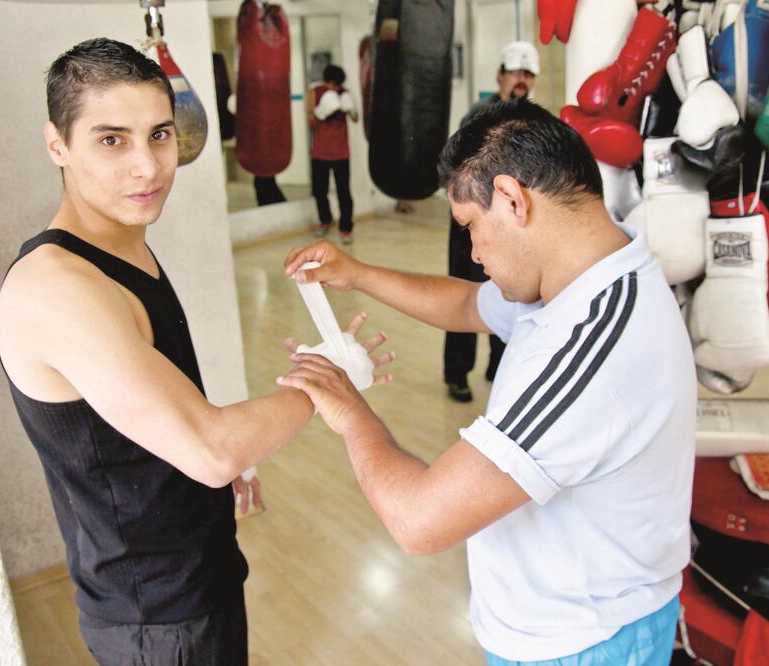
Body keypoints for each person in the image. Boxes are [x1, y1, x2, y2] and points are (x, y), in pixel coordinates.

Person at [0, 38, 389, 665]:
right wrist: (331, 377)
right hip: (154, 613)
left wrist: (221, 463)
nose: (148, 166)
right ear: (56, 144)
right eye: (110, 140)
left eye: (158, 135)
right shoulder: (60, 288)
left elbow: (149, 406)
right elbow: (208, 448)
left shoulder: (123, 244)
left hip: (188, 574)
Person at [281, 99, 695, 665]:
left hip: (585, 643)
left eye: (472, 228)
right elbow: (467, 305)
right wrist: (356, 274)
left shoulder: (588, 348)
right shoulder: (590, 270)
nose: (473, 252)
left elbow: (419, 520)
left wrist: (351, 414)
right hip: (570, 622)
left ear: (511, 199)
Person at [444, 40, 540, 403]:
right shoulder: (478, 117)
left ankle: (498, 367)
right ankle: (457, 374)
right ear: (500, 74)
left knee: (509, 294)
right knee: (465, 296)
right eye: (516, 72)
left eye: (528, 74)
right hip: (471, 223)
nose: (521, 79)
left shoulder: (532, 119)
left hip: (509, 225)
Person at [307, 64, 358, 243]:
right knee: (320, 191)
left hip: (341, 152)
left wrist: (350, 109)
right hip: (320, 152)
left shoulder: (344, 93)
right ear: (327, 81)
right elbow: (310, 122)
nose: (336, 88)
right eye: (333, 85)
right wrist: (322, 110)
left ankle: (346, 228)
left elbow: (355, 118)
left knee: (344, 192)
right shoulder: (315, 92)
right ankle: (325, 221)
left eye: (338, 85)